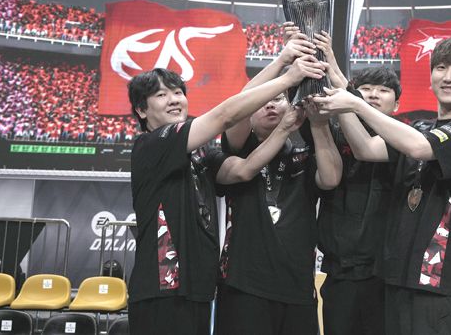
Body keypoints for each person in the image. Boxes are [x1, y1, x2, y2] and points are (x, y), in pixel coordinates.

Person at [126, 58, 326, 335]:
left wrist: (284, 129)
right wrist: (286, 72)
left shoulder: (201, 153)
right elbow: (225, 116)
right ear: (141, 110)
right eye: (161, 95)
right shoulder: (152, 143)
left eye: (178, 92)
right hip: (161, 288)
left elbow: (244, 169)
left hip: (197, 289)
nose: (173, 100)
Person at [313, 37, 451, 335]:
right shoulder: (421, 127)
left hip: (435, 283)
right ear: (431, 77)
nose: (448, 76)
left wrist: (355, 102)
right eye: (441, 68)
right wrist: (336, 79)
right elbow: (366, 148)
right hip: (396, 280)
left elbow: (419, 148)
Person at [213, 30, 342, 335]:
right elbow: (238, 105)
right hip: (243, 284)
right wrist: (284, 63)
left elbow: (331, 179)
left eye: (278, 100)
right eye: (263, 102)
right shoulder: (236, 150)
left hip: (297, 285)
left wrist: (317, 122)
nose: (270, 105)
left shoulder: (304, 152)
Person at [314, 32, 402, 335]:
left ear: (397, 104)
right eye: (366, 89)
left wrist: (337, 72)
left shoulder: (404, 140)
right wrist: (325, 62)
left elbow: (367, 147)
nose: (374, 95)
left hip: (385, 275)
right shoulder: (331, 134)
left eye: (384, 90)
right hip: (340, 272)